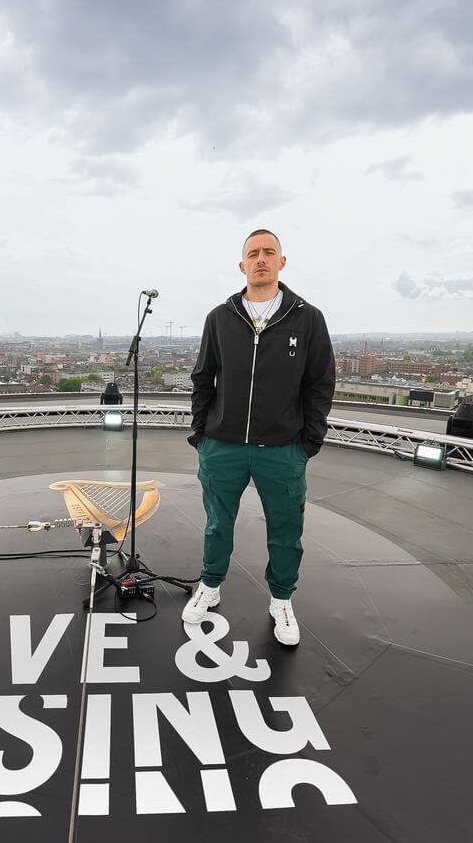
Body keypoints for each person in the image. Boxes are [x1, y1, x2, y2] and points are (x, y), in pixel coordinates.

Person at [184, 229, 335, 646]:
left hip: (283, 449)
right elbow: (202, 378)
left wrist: (309, 442)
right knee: (217, 525)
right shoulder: (219, 317)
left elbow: (320, 384)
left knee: (286, 529)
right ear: (242, 265)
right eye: (254, 253)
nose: (261, 259)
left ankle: (282, 600)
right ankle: (210, 585)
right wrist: (201, 433)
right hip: (223, 445)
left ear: (282, 262)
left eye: (270, 252)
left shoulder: (307, 318)